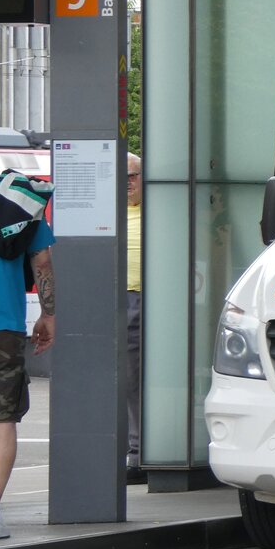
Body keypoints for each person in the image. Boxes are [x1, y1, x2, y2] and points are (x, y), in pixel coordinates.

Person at [0, 117, 56, 540]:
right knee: (3, 423)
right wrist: (48, 314)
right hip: (4, 328)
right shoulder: (19, 198)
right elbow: (42, 263)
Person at [126, 153, 145, 485]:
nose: (126, 184)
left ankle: (141, 451)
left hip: (155, 299)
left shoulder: (157, 210)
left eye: (131, 176)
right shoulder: (111, 213)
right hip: (122, 299)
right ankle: (135, 451)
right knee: (129, 380)